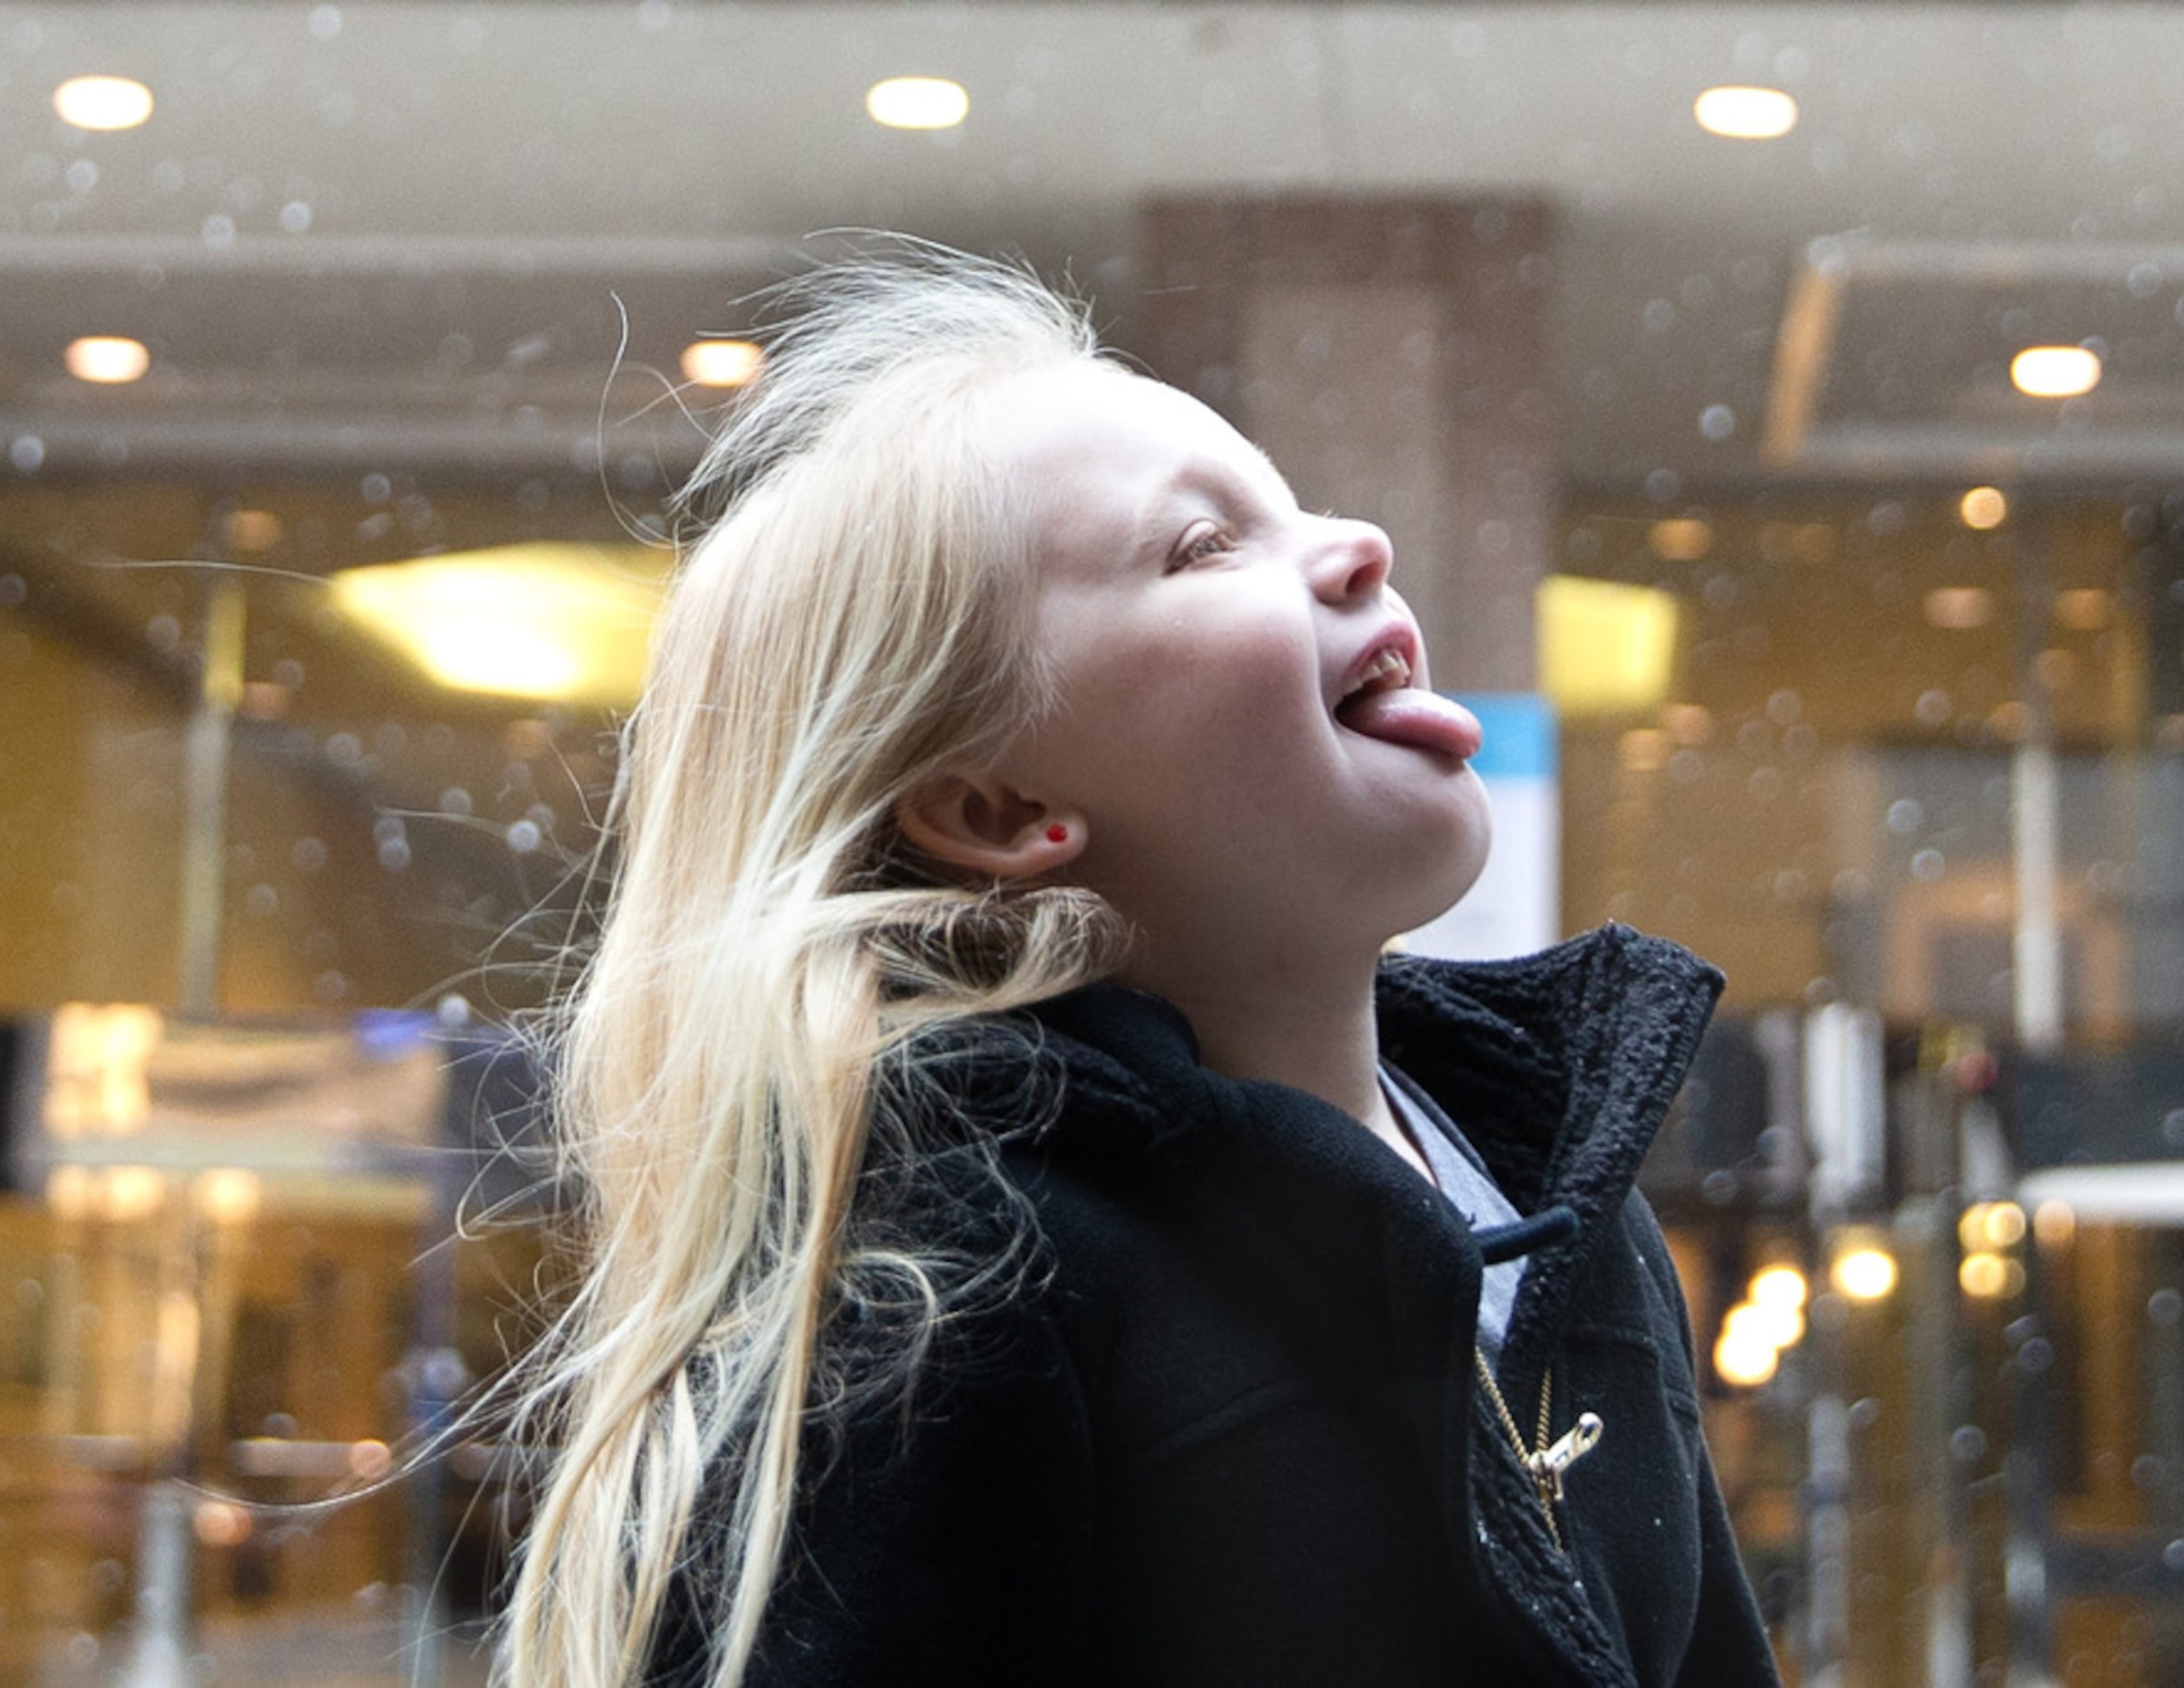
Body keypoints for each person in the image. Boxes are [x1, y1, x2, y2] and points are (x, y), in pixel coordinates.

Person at [495, 248, 1778, 1688]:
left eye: (1294, 503)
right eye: (1204, 546)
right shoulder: (952, 1287)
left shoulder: (1560, 1206)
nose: (1358, 542)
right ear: (997, 810)